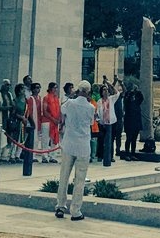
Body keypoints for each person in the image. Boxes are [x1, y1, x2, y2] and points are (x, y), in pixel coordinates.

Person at [55, 80, 96, 222]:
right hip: (83, 145)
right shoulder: (90, 107)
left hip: (69, 143)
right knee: (80, 179)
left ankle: (60, 206)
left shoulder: (70, 103)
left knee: (64, 176)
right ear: (88, 92)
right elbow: (91, 122)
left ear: (78, 90)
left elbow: (62, 112)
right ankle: (75, 210)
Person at [95, 80, 119, 166]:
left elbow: (117, 93)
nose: (105, 91)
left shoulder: (111, 99)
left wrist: (110, 85)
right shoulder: (99, 101)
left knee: (111, 140)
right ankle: (100, 155)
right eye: (104, 90)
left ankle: (110, 156)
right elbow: (97, 112)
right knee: (101, 140)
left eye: (106, 90)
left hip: (112, 122)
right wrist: (98, 122)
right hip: (102, 123)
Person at [0, 79, 13, 162]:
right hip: (0, 118)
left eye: (9, 85)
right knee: (0, 136)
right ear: (3, 85)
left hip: (7, 118)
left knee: (7, 136)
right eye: (6, 85)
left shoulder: (9, 94)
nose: (8, 86)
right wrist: (7, 108)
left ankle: (4, 156)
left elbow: (12, 103)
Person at [122, 81, 143, 160]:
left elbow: (141, 98)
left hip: (136, 121)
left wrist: (137, 91)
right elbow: (126, 100)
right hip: (129, 121)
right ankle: (127, 154)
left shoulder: (137, 99)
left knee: (134, 139)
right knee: (129, 138)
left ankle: (133, 154)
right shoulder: (127, 98)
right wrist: (130, 93)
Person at [41, 82, 61, 164]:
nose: (55, 89)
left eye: (56, 88)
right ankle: (44, 156)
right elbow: (45, 111)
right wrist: (53, 119)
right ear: (50, 88)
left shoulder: (56, 98)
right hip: (47, 121)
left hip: (55, 122)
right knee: (46, 139)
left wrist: (58, 119)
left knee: (54, 139)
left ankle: (52, 156)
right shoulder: (46, 98)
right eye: (54, 88)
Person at [10, 83, 29, 162]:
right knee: (15, 139)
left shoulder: (26, 101)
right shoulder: (15, 101)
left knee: (22, 140)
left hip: (24, 123)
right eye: (22, 89)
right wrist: (21, 117)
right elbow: (13, 113)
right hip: (17, 122)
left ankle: (18, 155)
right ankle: (12, 156)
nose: (24, 90)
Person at [25, 82, 44, 162]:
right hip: (32, 120)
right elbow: (29, 110)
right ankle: (30, 155)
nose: (38, 89)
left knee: (37, 138)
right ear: (32, 89)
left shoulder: (39, 98)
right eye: (36, 87)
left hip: (38, 120)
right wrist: (32, 121)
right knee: (32, 138)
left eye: (39, 87)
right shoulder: (30, 98)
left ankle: (34, 154)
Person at [112, 79, 124, 160]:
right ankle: (112, 151)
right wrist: (114, 82)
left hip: (119, 119)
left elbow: (125, 90)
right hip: (114, 119)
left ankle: (118, 149)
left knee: (118, 136)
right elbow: (111, 88)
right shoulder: (113, 98)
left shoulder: (122, 97)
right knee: (112, 137)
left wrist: (121, 83)